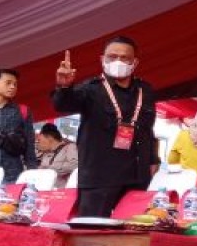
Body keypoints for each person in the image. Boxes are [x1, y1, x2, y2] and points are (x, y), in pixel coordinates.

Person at [52, 36, 158, 217]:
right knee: (91, 233)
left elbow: (148, 130)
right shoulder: (90, 89)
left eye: (125, 58)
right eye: (112, 56)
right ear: (102, 60)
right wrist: (64, 87)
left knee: (131, 232)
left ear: (135, 62)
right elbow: (63, 105)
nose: (118, 61)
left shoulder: (145, 90)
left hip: (136, 176)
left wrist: (153, 160)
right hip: (99, 177)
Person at [35, 123, 78, 188]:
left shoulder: (69, 147)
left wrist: (49, 169)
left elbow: (75, 165)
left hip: (61, 190)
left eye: (39, 140)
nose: (38, 143)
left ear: (49, 138)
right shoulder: (44, 153)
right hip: (43, 187)